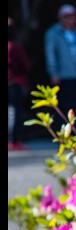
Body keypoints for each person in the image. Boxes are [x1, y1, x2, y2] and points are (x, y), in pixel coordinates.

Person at [43, 4, 76, 121]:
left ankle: (75, 130)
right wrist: (53, 72)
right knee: (65, 105)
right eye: (66, 17)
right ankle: (64, 131)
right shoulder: (54, 33)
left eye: (72, 16)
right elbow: (51, 54)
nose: (70, 20)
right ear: (61, 18)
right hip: (63, 75)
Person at [8, 16, 31, 151]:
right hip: (15, 82)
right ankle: (14, 140)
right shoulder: (15, 47)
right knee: (15, 113)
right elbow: (25, 65)